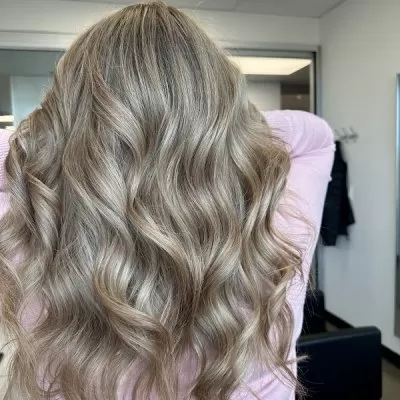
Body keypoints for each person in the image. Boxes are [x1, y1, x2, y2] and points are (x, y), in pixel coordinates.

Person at [0, 2, 334, 399]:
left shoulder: (26, 240)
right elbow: (314, 134)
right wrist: (226, 127)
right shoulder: (275, 229)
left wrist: (53, 137)